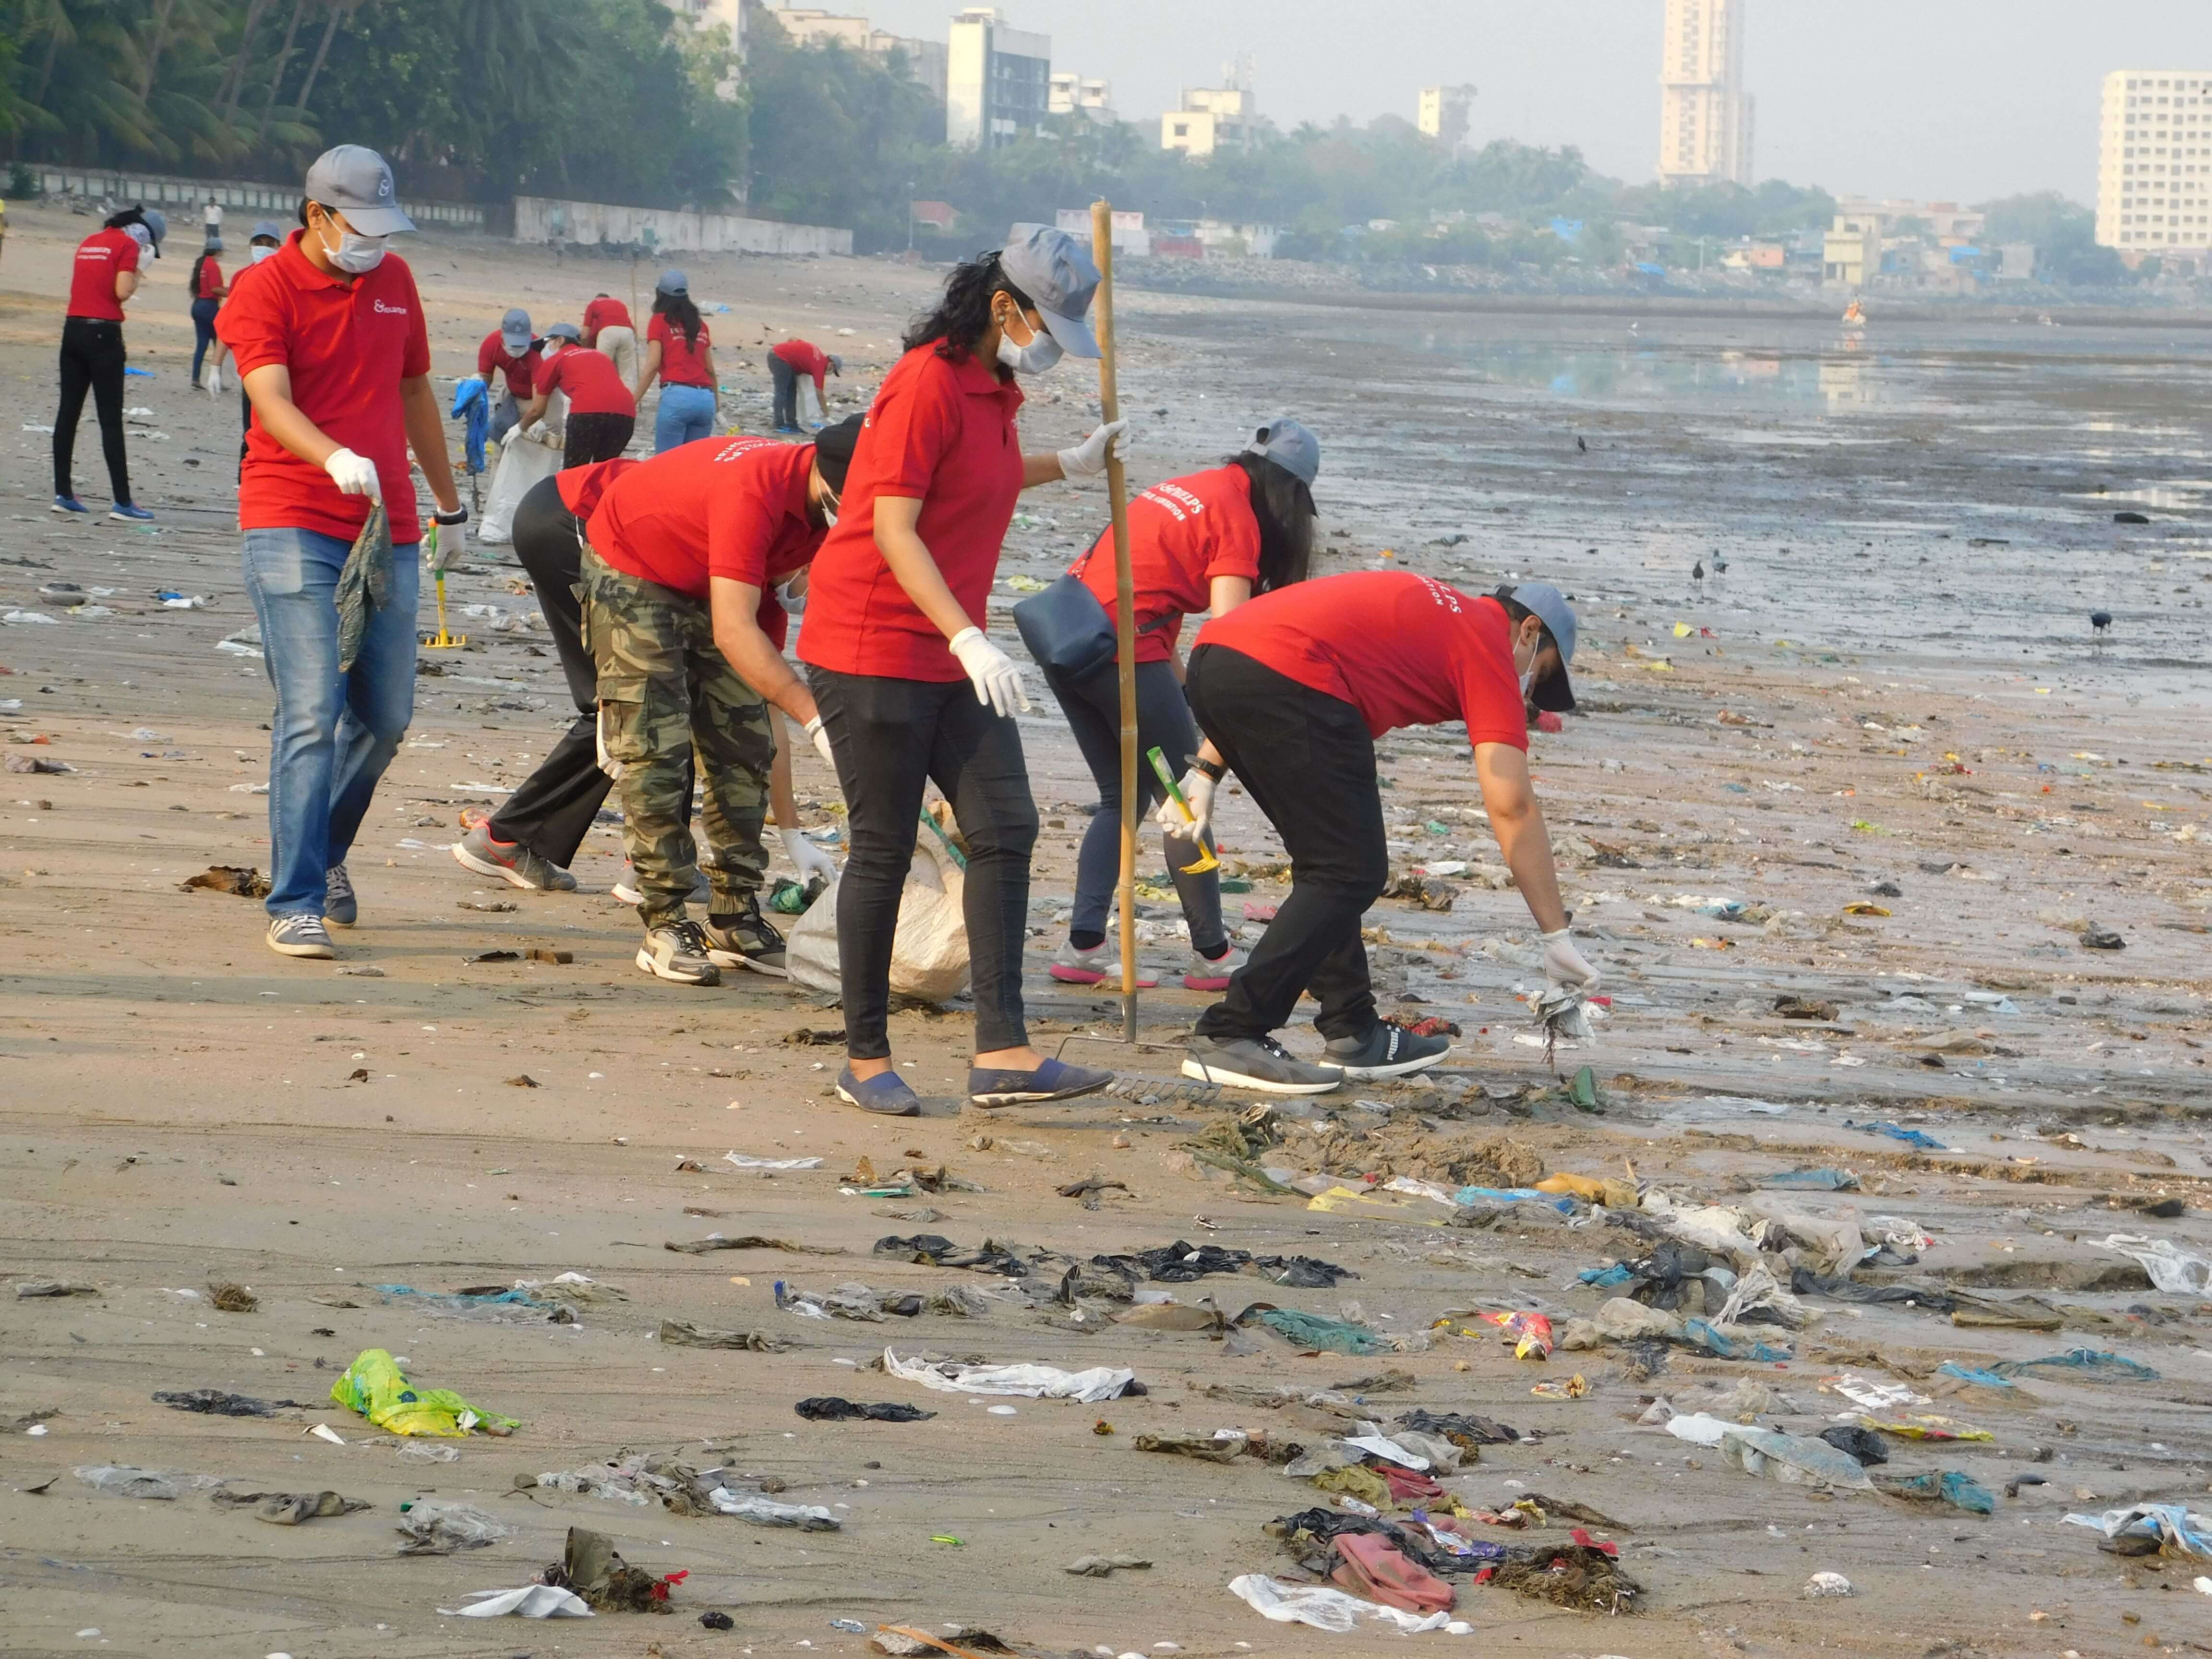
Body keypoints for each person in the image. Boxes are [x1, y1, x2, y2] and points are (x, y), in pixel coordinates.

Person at [798, 229, 1129, 1116]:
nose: (1049, 342)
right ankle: (864, 1058)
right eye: (1043, 322)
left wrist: (1070, 463)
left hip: (945, 649)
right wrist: (967, 639)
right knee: (880, 845)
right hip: (869, 643)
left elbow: (976, 479)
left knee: (1005, 825)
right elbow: (895, 526)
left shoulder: (995, 391)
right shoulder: (924, 383)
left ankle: (1004, 1053)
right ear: (1000, 307)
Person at [1168, 574, 1601, 1094]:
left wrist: (1207, 770)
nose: (1528, 693)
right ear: (1529, 632)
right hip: (1288, 677)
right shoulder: (1487, 643)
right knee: (1350, 870)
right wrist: (1556, 937)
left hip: (1218, 658)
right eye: (1538, 676)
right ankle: (1233, 1031)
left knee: (1328, 864)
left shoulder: (1439, 616)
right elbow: (1513, 806)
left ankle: (1353, 1030)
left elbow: (1277, 640)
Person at [217, 144, 468, 960]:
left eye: (384, 230)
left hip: (388, 525)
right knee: (311, 713)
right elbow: (269, 397)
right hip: (291, 516)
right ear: (317, 215)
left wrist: (448, 502)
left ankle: (321, 852)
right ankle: (294, 898)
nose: (374, 245)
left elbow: (414, 391)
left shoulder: (394, 283)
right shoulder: (263, 288)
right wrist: (329, 455)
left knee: (387, 716)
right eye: (360, 228)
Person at [1040, 420, 1320, 995]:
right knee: (1185, 799)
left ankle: (1084, 945)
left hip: (1070, 639)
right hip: (1120, 654)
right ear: (1290, 494)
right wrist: (1230, 714)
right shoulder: (1238, 521)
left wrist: (1191, 692)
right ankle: (1214, 955)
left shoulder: (1189, 487)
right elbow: (1231, 638)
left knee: (1123, 797)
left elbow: (1149, 602)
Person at [578, 421, 862, 985]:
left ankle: (735, 913)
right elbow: (737, 634)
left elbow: (766, 706)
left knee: (745, 740)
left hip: (717, 575)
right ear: (827, 485)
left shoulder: (835, 504)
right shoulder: (754, 492)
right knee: (656, 747)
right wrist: (815, 717)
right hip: (636, 565)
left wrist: (792, 833)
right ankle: (663, 920)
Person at [53, 204, 162, 522]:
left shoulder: (90, 242)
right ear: (142, 236)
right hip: (104, 335)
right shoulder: (128, 246)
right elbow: (122, 291)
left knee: (68, 413)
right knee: (110, 420)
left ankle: (63, 493)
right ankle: (123, 502)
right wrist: (139, 269)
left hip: (72, 330)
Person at [517, 322, 636, 467]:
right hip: (626, 414)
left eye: (546, 344)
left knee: (574, 473)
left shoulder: (555, 360)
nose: (543, 350)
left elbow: (537, 410)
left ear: (560, 340)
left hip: (588, 414)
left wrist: (519, 428)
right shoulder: (600, 356)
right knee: (603, 472)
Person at [633, 270, 718, 452]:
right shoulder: (700, 325)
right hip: (706, 400)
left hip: (678, 397)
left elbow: (653, 365)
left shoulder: (659, 321)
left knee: (666, 464)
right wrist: (717, 406)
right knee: (693, 464)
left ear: (660, 294)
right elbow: (710, 370)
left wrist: (634, 400)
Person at [474, 307, 541, 444]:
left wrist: (524, 425)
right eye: (513, 345)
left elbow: (539, 404)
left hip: (539, 398)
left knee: (537, 441)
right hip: (512, 393)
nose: (517, 350)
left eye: (521, 345)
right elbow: (486, 379)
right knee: (500, 432)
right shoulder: (491, 345)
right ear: (502, 335)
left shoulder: (538, 352)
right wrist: (476, 386)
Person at [768, 337, 841, 433]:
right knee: (781, 391)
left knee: (792, 392)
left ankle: (792, 423)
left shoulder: (818, 355)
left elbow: (793, 339)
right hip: (779, 358)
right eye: (833, 371)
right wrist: (827, 415)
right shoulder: (820, 366)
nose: (830, 373)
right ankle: (778, 423)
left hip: (780, 355)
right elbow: (820, 394)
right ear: (831, 365)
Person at [187, 243, 228, 391]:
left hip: (198, 305)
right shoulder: (213, 266)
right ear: (218, 251)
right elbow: (215, 288)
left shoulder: (202, 264)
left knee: (202, 344)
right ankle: (217, 379)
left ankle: (196, 378)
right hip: (209, 307)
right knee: (219, 343)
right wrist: (232, 293)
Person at [582, 290, 637, 386]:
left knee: (602, 371)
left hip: (608, 332)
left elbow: (585, 335)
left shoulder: (594, 304)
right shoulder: (620, 304)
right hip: (628, 333)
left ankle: (601, 398)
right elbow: (632, 329)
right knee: (626, 375)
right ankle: (629, 400)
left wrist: (583, 348)